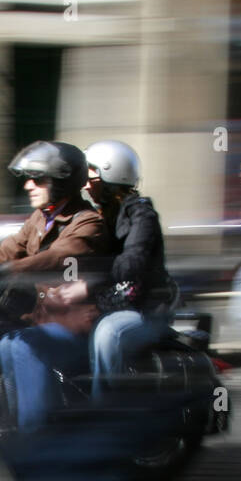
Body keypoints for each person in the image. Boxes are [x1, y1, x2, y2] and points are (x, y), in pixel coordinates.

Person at [0, 141, 108, 430]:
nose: (29, 185)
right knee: (1, 342)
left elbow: (53, 258)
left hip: (76, 326)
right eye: (29, 178)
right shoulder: (41, 218)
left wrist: (2, 272)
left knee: (24, 347)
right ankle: (5, 426)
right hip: (45, 320)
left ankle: (37, 439)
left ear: (63, 181)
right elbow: (3, 252)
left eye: (38, 179)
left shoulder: (89, 223)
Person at [60, 140, 179, 400]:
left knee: (108, 333)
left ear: (110, 174)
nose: (86, 183)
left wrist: (89, 284)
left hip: (145, 309)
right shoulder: (100, 215)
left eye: (91, 175)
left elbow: (132, 265)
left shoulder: (141, 216)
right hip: (111, 303)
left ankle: (106, 415)